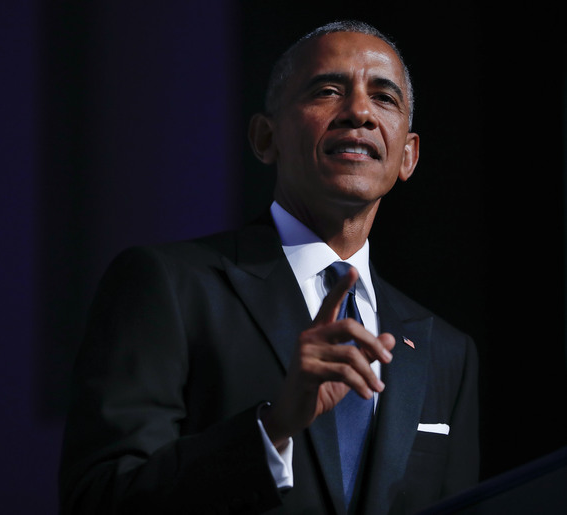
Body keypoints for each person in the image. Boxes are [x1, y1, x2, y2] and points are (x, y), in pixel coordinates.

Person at [59, 20, 479, 515]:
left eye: (384, 98)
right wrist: (272, 427)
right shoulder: (167, 286)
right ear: (265, 137)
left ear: (407, 155)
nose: (360, 112)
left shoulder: (447, 352)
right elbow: (100, 499)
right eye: (328, 90)